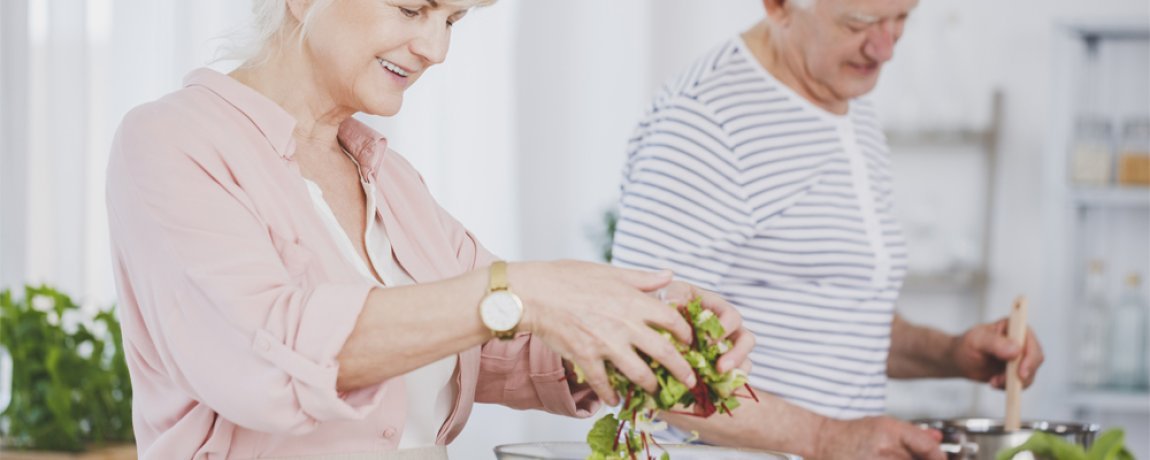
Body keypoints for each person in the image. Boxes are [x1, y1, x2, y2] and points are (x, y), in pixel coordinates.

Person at [104, 0, 754, 458]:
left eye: (452, 20)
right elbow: (267, 352)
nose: (436, 50)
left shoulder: (390, 179)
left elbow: (498, 338)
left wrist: (643, 326)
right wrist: (528, 291)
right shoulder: (171, 141)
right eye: (413, 8)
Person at [610, 0, 1045, 458]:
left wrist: (951, 353)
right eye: (860, 23)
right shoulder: (703, 122)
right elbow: (642, 358)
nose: (885, 48)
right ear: (779, 7)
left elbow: (839, 316)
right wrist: (827, 438)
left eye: (901, 18)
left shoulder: (845, 100)